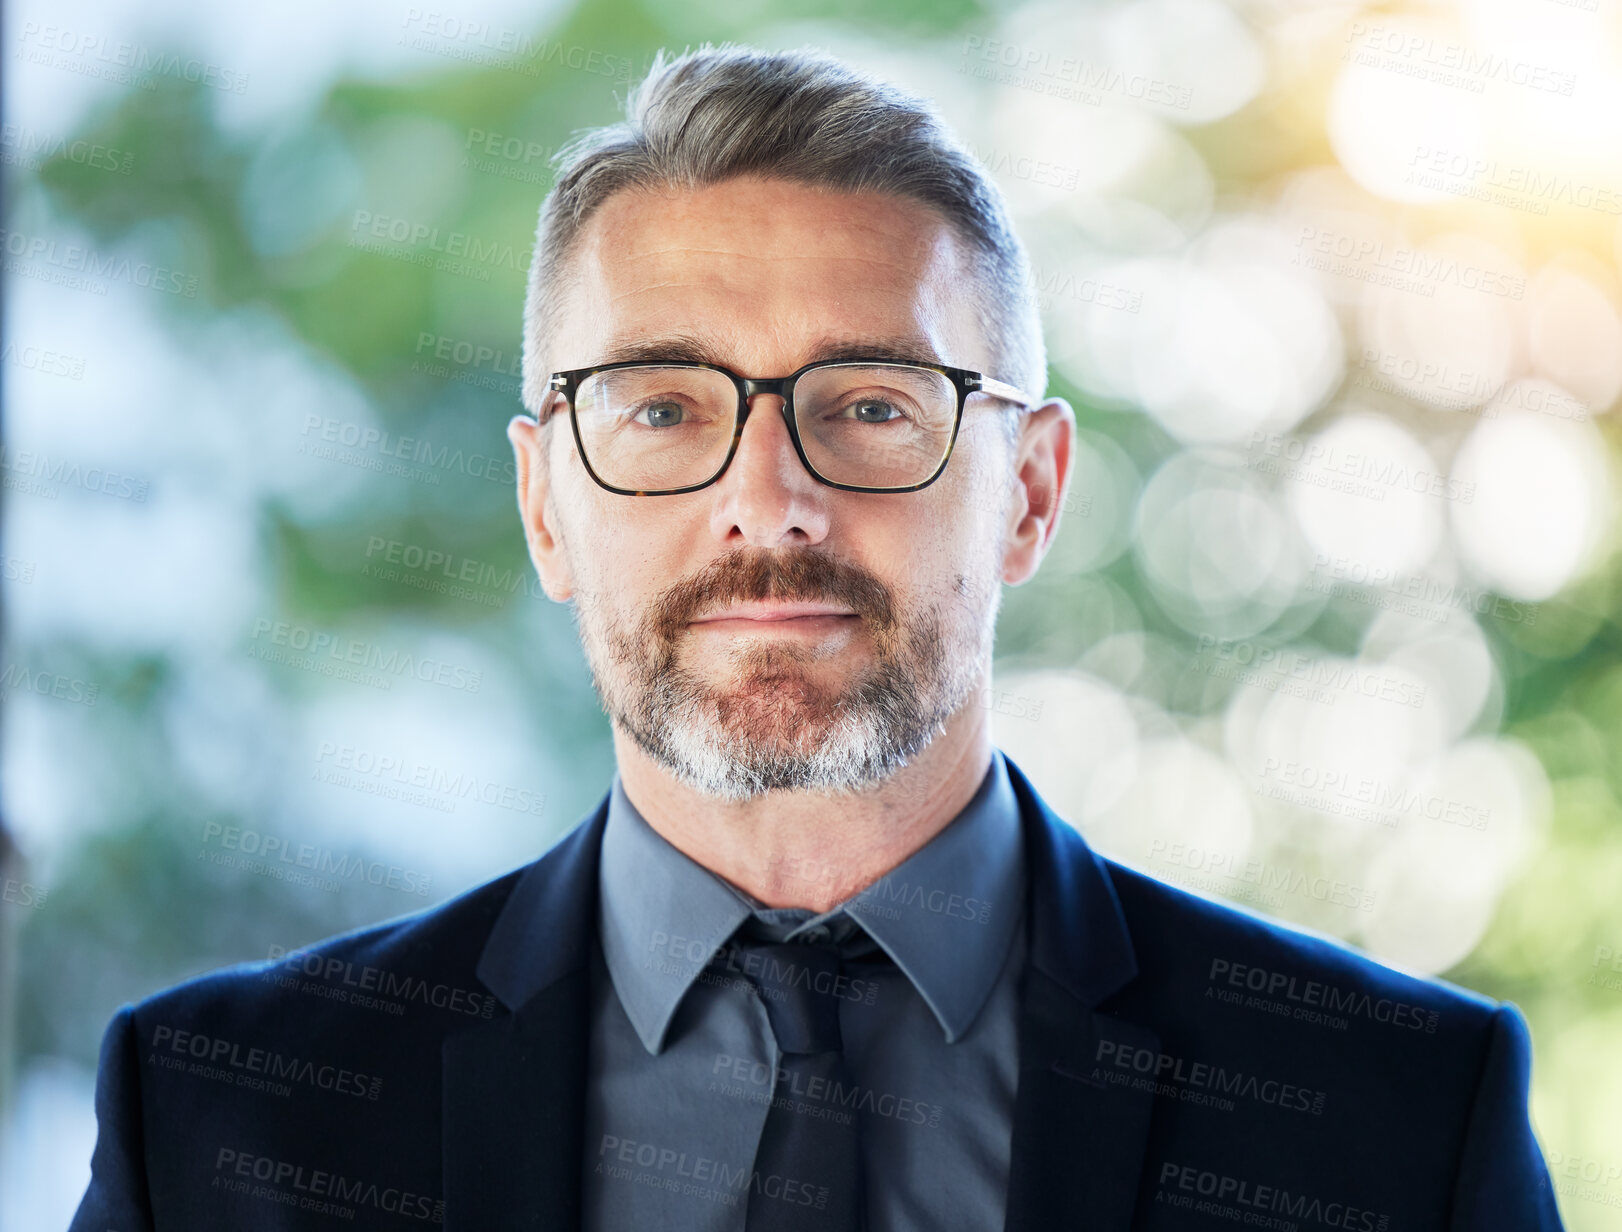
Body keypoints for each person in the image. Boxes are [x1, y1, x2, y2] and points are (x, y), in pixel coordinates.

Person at [71, 44, 1563, 1231]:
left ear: (1029, 493)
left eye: (867, 406)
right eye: (661, 410)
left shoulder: (1392, 1118)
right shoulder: (222, 1123)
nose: (767, 504)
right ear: (543, 506)